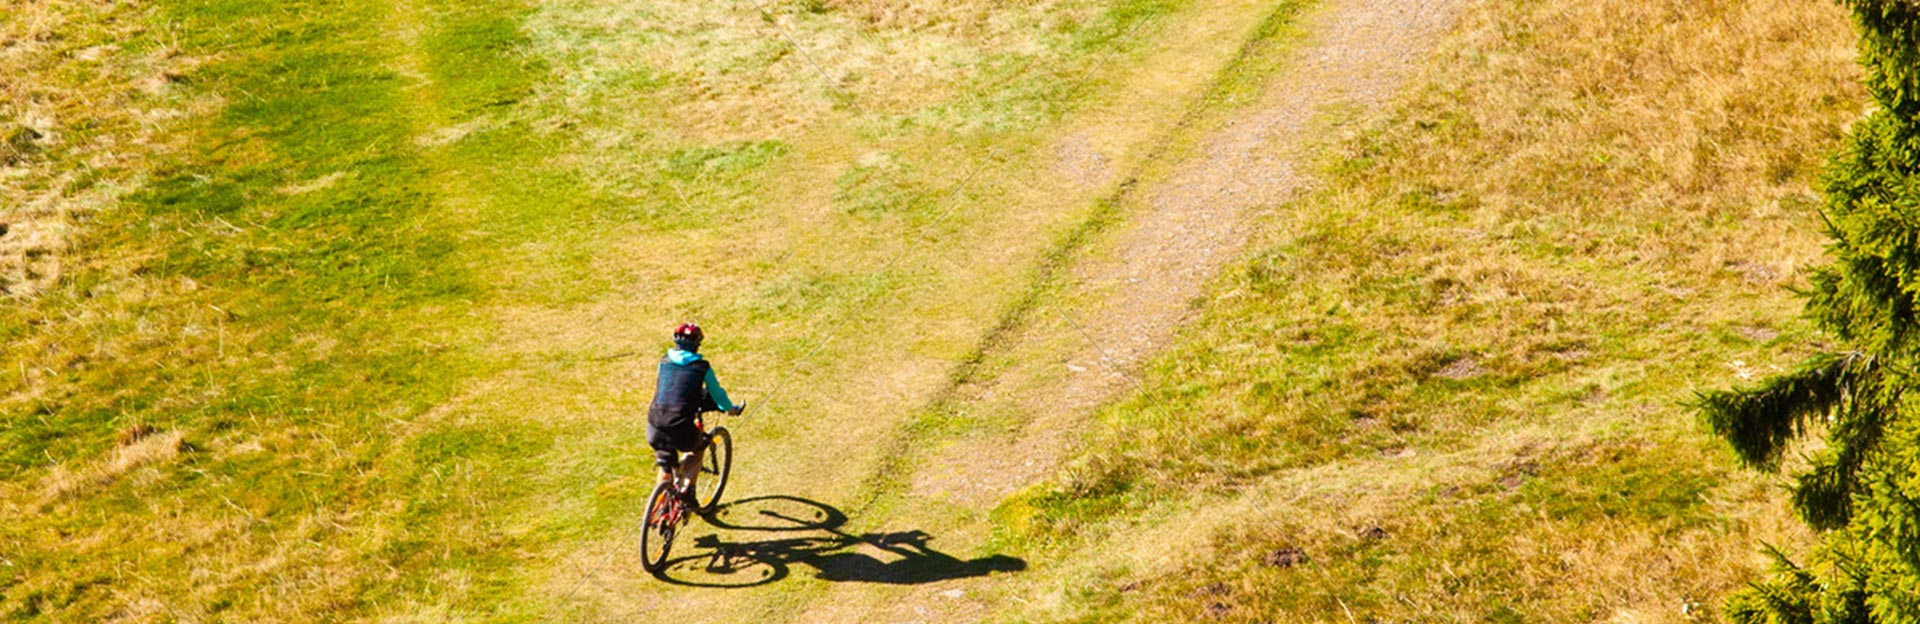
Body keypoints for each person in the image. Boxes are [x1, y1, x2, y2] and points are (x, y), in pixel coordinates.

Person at [647, 323, 742, 492]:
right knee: (697, 449)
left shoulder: (664, 361)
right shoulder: (701, 367)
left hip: (654, 424)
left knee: (666, 464)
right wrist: (730, 409)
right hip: (680, 426)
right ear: (697, 344)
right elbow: (717, 394)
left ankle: (659, 504)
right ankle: (688, 492)